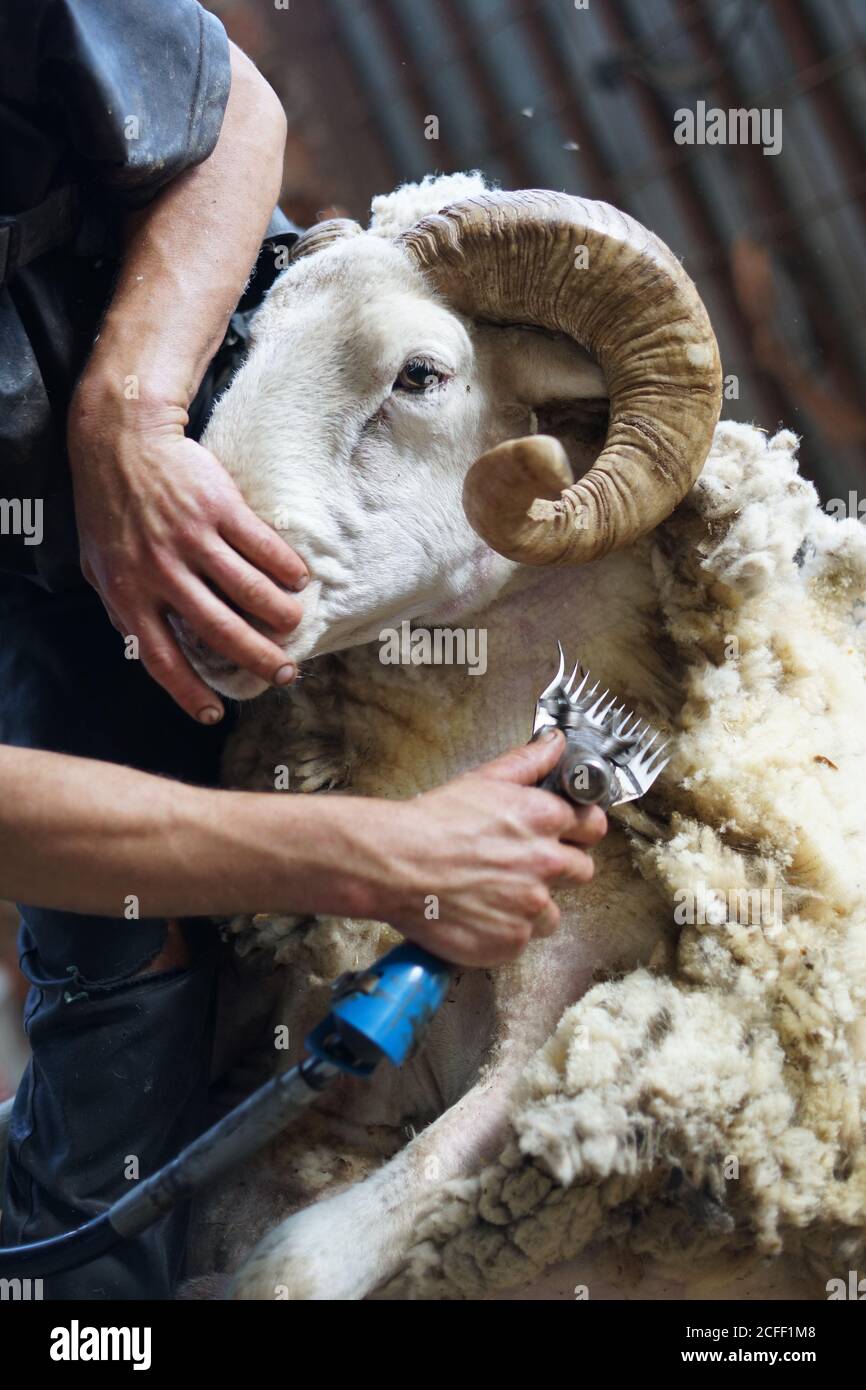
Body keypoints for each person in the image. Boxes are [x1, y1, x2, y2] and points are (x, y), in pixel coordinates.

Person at [0, 1, 605, 1299]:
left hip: (227, 384)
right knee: (118, 1118)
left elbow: (231, 110)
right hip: (54, 608)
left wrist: (133, 410)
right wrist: (370, 857)